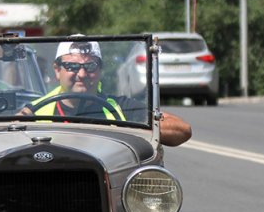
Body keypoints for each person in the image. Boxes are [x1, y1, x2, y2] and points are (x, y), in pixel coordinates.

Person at [19, 38, 192, 147]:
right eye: (72, 66)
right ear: (57, 70)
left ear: (100, 70)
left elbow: (182, 130)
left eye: (90, 66)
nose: (81, 74)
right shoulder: (33, 111)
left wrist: (135, 129)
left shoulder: (120, 108)